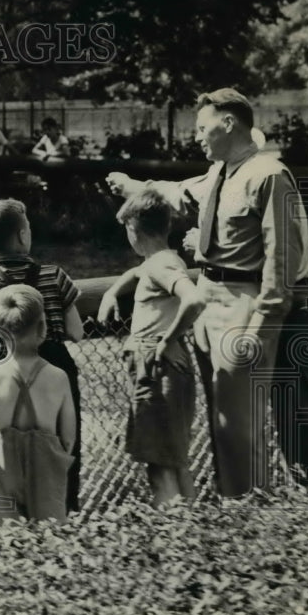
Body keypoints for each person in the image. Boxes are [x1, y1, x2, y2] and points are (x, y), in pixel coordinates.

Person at [106, 88, 308, 496]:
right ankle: (246, 515)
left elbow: (280, 263)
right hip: (225, 303)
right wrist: (133, 186)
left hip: (283, 308)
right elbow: (179, 192)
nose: (195, 135)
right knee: (231, 429)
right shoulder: (220, 173)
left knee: (298, 429)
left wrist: (258, 329)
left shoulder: (267, 175)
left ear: (229, 123)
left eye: (202, 126)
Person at [98, 190, 205, 506]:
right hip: (166, 366)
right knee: (174, 459)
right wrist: (111, 293)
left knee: (159, 466)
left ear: (133, 229)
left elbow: (195, 299)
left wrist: (167, 340)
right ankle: (193, 532)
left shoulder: (160, 266)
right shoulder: (163, 260)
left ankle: (170, 534)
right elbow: (137, 272)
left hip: (155, 364)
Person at [0, 198, 85, 512]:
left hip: (6, 365)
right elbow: (76, 331)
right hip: (53, 364)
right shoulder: (54, 275)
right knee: (62, 447)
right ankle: (64, 508)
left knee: (12, 446)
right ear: (24, 236)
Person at [0, 285, 75, 523]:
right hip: (46, 469)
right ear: (42, 327)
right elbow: (69, 437)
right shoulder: (58, 376)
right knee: (51, 534)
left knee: (12, 537)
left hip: (5, 462)